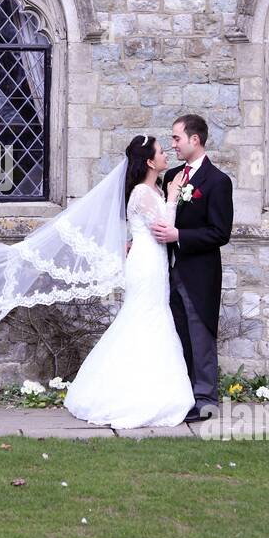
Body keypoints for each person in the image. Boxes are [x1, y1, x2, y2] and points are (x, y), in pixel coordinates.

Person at [62, 135, 196, 429]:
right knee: (143, 318)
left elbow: (145, 229)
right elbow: (164, 228)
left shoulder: (153, 190)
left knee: (152, 317)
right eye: (161, 152)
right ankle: (130, 395)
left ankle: (152, 388)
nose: (166, 156)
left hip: (154, 261)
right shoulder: (141, 193)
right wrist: (173, 197)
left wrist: (166, 197)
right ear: (150, 162)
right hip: (146, 266)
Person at [150, 114, 234, 422]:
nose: (172, 144)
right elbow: (161, 217)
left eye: (176, 138)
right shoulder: (172, 175)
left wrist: (179, 236)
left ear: (194, 140)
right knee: (179, 337)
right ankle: (183, 397)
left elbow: (220, 232)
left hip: (200, 275)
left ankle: (205, 400)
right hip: (169, 272)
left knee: (201, 337)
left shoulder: (217, 182)